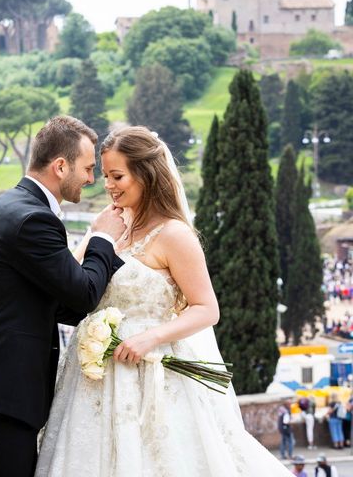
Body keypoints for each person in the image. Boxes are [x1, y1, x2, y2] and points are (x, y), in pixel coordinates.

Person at [35, 126, 293, 476]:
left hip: (153, 373)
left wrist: (150, 337)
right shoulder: (109, 228)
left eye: (117, 176)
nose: (107, 185)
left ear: (146, 174)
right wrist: (97, 236)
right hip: (93, 380)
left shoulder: (173, 234)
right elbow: (77, 284)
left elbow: (207, 309)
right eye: (105, 175)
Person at [0, 116, 127, 477]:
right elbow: (84, 295)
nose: (91, 179)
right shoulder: (32, 220)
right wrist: (102, 237)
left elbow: (61, 305)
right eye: (88, 169)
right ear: (60, 166)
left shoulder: (11, 206)